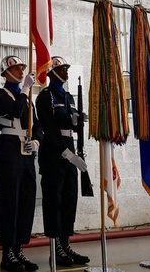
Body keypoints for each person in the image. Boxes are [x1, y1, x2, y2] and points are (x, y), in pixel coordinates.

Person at [34, 57, 90, 267]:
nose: (66, 72)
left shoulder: (68, 97)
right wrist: (66, 153)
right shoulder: (45, 97)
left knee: (69, 200)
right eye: (61, 69)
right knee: (54, 203)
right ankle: (55, 247)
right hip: (54, 155)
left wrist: (77, 122)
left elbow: (70, 126)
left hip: (70, 153)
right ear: (52, 73)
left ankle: (65, 244)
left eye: (66, 68)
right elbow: (49, 128)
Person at [0, 56, 40, 272]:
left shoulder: (27, 97)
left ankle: (19, 248)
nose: (22, 71)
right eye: (17, 68)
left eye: (22, 68)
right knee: (10, 201)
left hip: (26, 151)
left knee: (26, 201)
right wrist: (24, 90)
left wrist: (37, 140)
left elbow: (36, 124)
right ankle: (7, 252)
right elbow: (15, 112)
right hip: (9, 147)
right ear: (6, 73)